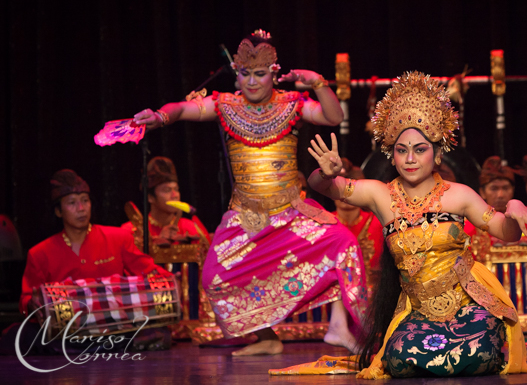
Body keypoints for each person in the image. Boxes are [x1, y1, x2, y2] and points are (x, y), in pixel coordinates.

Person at [298, 71, 527, 378]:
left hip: (466, 302)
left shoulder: (458, 195)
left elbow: (506, 233)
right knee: (399, 361)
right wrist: (326, 173)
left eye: (420, 150)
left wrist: (513, 209)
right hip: (417, 309)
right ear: (391, 156)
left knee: (477, 353)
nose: (410, 158)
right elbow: (321, 186)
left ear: (436, 153)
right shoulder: (381, 195)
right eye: (402, 150)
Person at [131, 30, 367, 356]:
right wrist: (159, 116)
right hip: (247, 216)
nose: (252, 82)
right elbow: (182, 109)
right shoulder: (224, 105)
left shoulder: (292, 104)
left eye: (260, 74)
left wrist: (316, 83)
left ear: (273, 74)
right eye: (245, 74)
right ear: (237, 75)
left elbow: (333, 116)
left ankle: (342, 324)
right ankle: (266, 337)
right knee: (214, 277)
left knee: (345, 243)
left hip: (291, 211)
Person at [6, 169, 171, 354]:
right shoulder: (40, 253)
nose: (81, 208)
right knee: (25, 335)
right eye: (72, 203)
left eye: (85, 200)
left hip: (114, 324)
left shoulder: (117, 238)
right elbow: (27, 299)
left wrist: (169, 281)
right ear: (59, 212)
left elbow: (148, 270)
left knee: (154, 329)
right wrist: (32, 304)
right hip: (68, 329)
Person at [121, 156, 209, 320]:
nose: (174, 195)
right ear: (150, 198)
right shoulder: (132, 230)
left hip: (191, 312)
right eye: (167, 190)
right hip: (151, 309)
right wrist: (154, 243)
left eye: (176, 189)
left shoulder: (189, 226)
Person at [332, 158, 383, 289]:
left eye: (351, 189)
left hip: (374, 300)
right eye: (339, 188)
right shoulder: (324, 224)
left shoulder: (379, 222)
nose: (345, 195)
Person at [463, 156, 515, 237]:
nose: (500, 195)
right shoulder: (468, 227)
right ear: (482, 192)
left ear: (513, 191)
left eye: (505, 188)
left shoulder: (523, 222)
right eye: (494, 189)